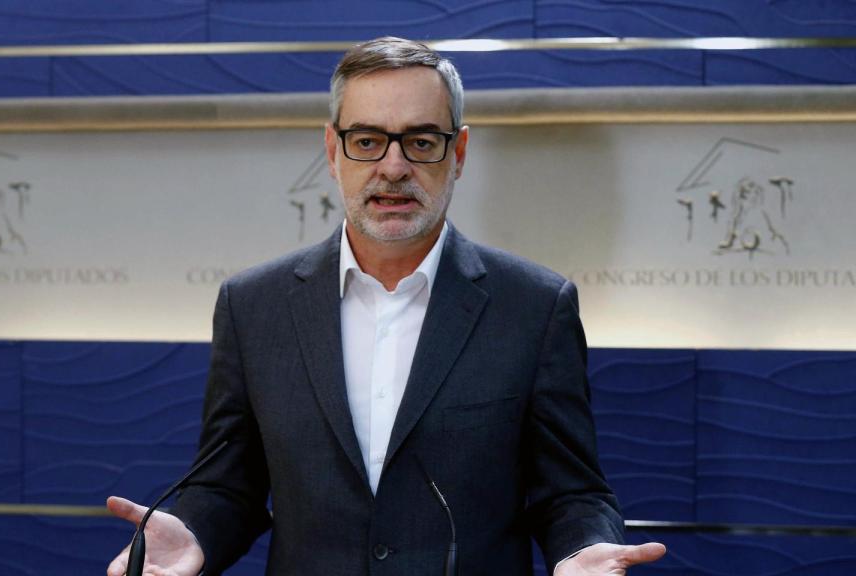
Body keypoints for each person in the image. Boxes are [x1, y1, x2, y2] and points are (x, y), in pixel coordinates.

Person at [107, 36, 666, 576]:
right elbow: (228, 483)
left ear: (459, 153)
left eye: (422, 142)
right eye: (368, 140)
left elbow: (571, 491)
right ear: (332, 151)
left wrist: (583, 548)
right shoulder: (253, 306)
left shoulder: (535, 307)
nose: (394, 168)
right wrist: (194, 532)